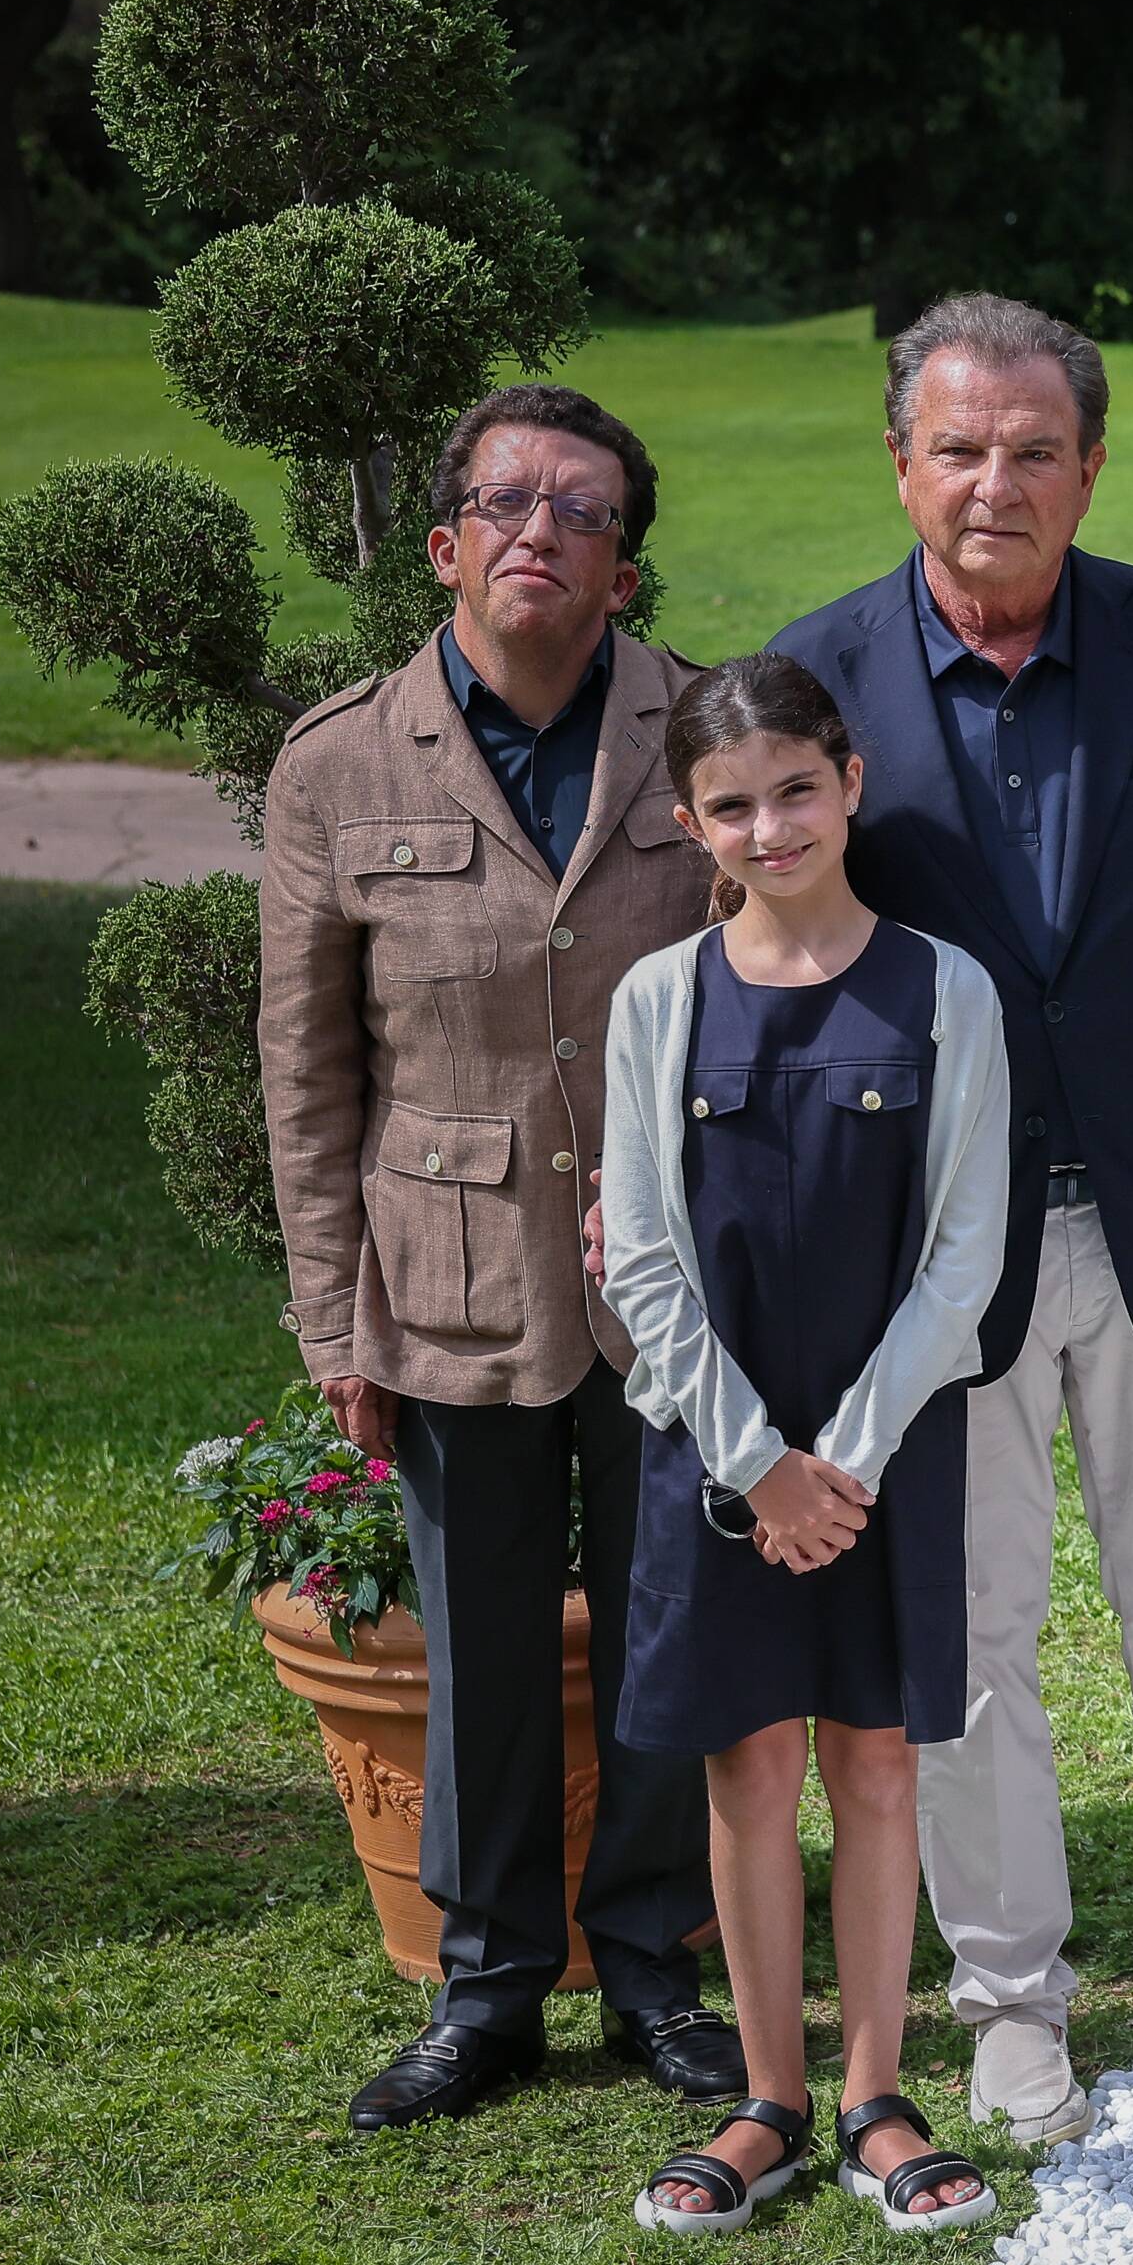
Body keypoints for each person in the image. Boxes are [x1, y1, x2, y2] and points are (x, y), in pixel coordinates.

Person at [762, 293, 1133, 2146]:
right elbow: (782, 984)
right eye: (961, 446)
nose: (995, 481)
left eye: (1035, 449)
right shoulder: (817, 681)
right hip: (935, 1267)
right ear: (901, 461)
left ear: (1091, 464)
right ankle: (1014, 1994)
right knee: (975, 1640)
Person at [258, 381, 733, 2133]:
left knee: (673, 1624)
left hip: (671, 1271)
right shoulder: (339, 760)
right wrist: (332, 1313)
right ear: (448, 539)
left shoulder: (703, 730)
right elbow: (308, 1069)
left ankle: (662, 1969)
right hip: (448, 1265)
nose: (541, 527)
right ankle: (488, 1990)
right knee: (477, 1639)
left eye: (584, 510)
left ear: (622, 567)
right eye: (507, 499)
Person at [598, 656, 1012, 2234]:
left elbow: (963, 1254)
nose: (768, 827)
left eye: (794, 788)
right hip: (715, 1455)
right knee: (753, 1758)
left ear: (847, 779)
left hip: (883, 1450)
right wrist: (754, 1459)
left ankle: (876, 2097)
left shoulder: (942, 988)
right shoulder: (659, 1000)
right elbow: (640, 1255)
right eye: (730, 805)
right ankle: (770, 2096)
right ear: (691, 822)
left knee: (877, 1757)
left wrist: (837, 1459)